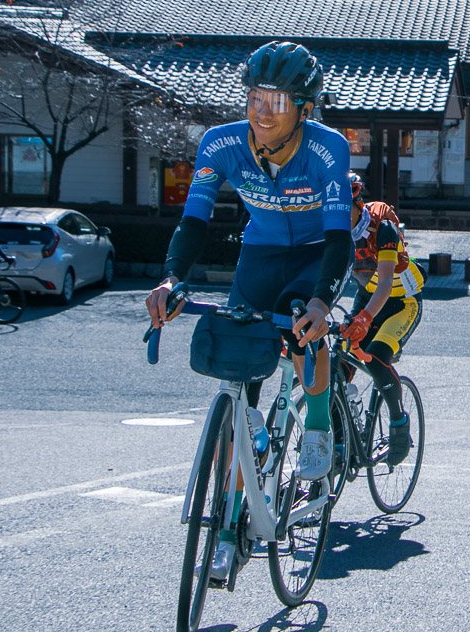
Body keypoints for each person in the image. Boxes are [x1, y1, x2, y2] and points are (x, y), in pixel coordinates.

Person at [144, 41, 352, 580]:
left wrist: (322, 301)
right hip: (258, 255)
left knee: (307, 332)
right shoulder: (221, 144)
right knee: (237, 372)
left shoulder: (327, 149)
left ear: (305, 108)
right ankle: (232, 518)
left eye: (277, 102)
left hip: (313, 255)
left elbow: (338, 237)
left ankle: (318, 433)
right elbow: (194, 221)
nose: (261, 112)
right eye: (254, 98)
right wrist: (173, 278)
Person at [340, 172, 424, 465]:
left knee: (375, 357)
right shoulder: (333, 231)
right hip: (367, 297)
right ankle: (341, 439)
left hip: (401, 302)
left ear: (357, 204)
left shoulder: (382, 226)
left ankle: (399, 425)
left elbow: (386, 283)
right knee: (337, 363)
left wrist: (363, 320)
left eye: (342, 210)